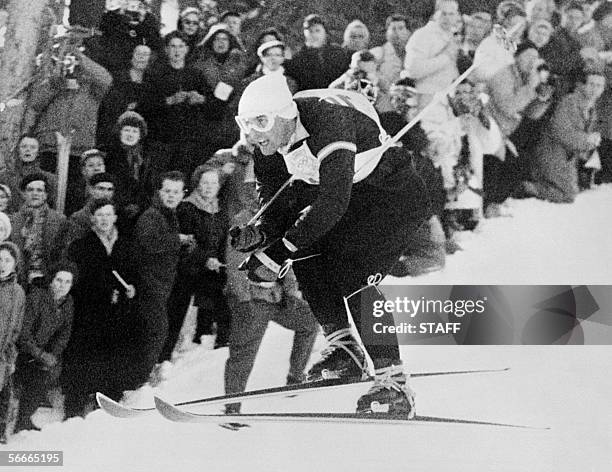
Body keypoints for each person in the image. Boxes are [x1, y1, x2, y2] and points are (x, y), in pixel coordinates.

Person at [231, 74, 432, 415]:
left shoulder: (326, 121)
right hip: (353, 197)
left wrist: (277, 252)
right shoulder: (267, 145)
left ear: (286, 114)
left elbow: (333, 202)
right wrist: (262, 237)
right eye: (246, 124)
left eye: (261, 122)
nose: (254, 133)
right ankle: (345, 350)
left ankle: (394, 379)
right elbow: (280, 206)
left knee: (352, 271)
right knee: (307, 252)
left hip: (391, 196)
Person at [63, 199, 138, 417]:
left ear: (115, 218)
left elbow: (133, 274)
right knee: (83, 356)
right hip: (88, 311)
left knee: (110, 356)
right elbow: (77, 279)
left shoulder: (126, 245)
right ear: (93, 219)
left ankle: (104, 401)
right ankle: (74, 405)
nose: (104, 219)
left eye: (108, 214)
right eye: (100, 215)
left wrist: (132, 288)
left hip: (116, 312)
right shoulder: (81, 246)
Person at [159, 164, 231, 362]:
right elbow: (186, 243)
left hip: (212, 271)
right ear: (197, 184)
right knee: (176, 315)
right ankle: (166, 358)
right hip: (188, 270)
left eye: (213, 183)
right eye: (204, 182)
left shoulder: (220, 209)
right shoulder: (187, 208)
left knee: (223, 303)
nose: (209, 187)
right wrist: (205, 259)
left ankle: (209, 352)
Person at [133, 171, 187, 386]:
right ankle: (139, 379)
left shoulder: (168, 214)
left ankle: (141, 376)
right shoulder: (152, 215)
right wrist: (178, 240)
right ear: (159, 192)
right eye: (167, 191)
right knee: (155, 330)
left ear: (182, 194)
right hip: (149, 284)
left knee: (155, 331)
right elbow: (149, 243)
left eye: (176, 192)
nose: (171, 196)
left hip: (161, 284)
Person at [522, 68, 605, 202]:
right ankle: (525, 188)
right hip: (551, 152)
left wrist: (591, 142)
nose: (595, 89)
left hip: (567, 158)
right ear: (582, 85)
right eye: (592, 84)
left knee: (570, 193)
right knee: (568, 195)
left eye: (599, 86)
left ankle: (534, 186)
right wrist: (587, 139)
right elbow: (560, 131)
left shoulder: (591, 108)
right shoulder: (569, 102)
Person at [14, 262, 76, 432]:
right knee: (32, 380)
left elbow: (64, 333)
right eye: (58, 280)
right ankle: (17, 421)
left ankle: (24, 420)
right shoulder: (37, 297)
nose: (62, 286)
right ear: (51, 280)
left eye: (67, 282)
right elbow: (23, 333)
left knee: (43, 379)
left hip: (44, 354)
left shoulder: (68, 302)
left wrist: (53, 355)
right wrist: (41, 355)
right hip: (24, 351)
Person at [9, 174, 69, 288]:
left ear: (46, 195)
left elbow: (62, 255)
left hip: (46, 280)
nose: (35, 193)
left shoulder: (59, 220)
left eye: (39, 190)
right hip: (17, 281)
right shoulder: (13, 220)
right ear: (23, 194)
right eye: (30, 190)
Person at [403, 0, 461, 109]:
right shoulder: (422, 35)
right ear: (435, 14)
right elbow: (413, 70)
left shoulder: (454, 36)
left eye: (451, 14)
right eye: (443, 13)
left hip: (450, 100)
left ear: (457, 15)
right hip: (427, 100)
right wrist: (446, 56)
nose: (447, 18)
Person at [285, 14, 351, 91]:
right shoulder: (297, 59)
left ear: (325, 32)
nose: (314, 35)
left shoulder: (338, 53)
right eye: (310, 31)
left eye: (317, 30)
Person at [0, 241, 25, 442]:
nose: (2, 264)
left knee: (3, 395)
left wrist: (10, 351)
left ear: (15, 264)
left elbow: (16, 326)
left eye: (7, 260)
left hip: (2, 354)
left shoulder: (18, 293)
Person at [370, 14, 412, 86]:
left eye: (401, 28)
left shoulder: (414, 54)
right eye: (393, 29)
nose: (397, 33)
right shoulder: (378, 53)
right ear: (387, 32)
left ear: (408, 32)